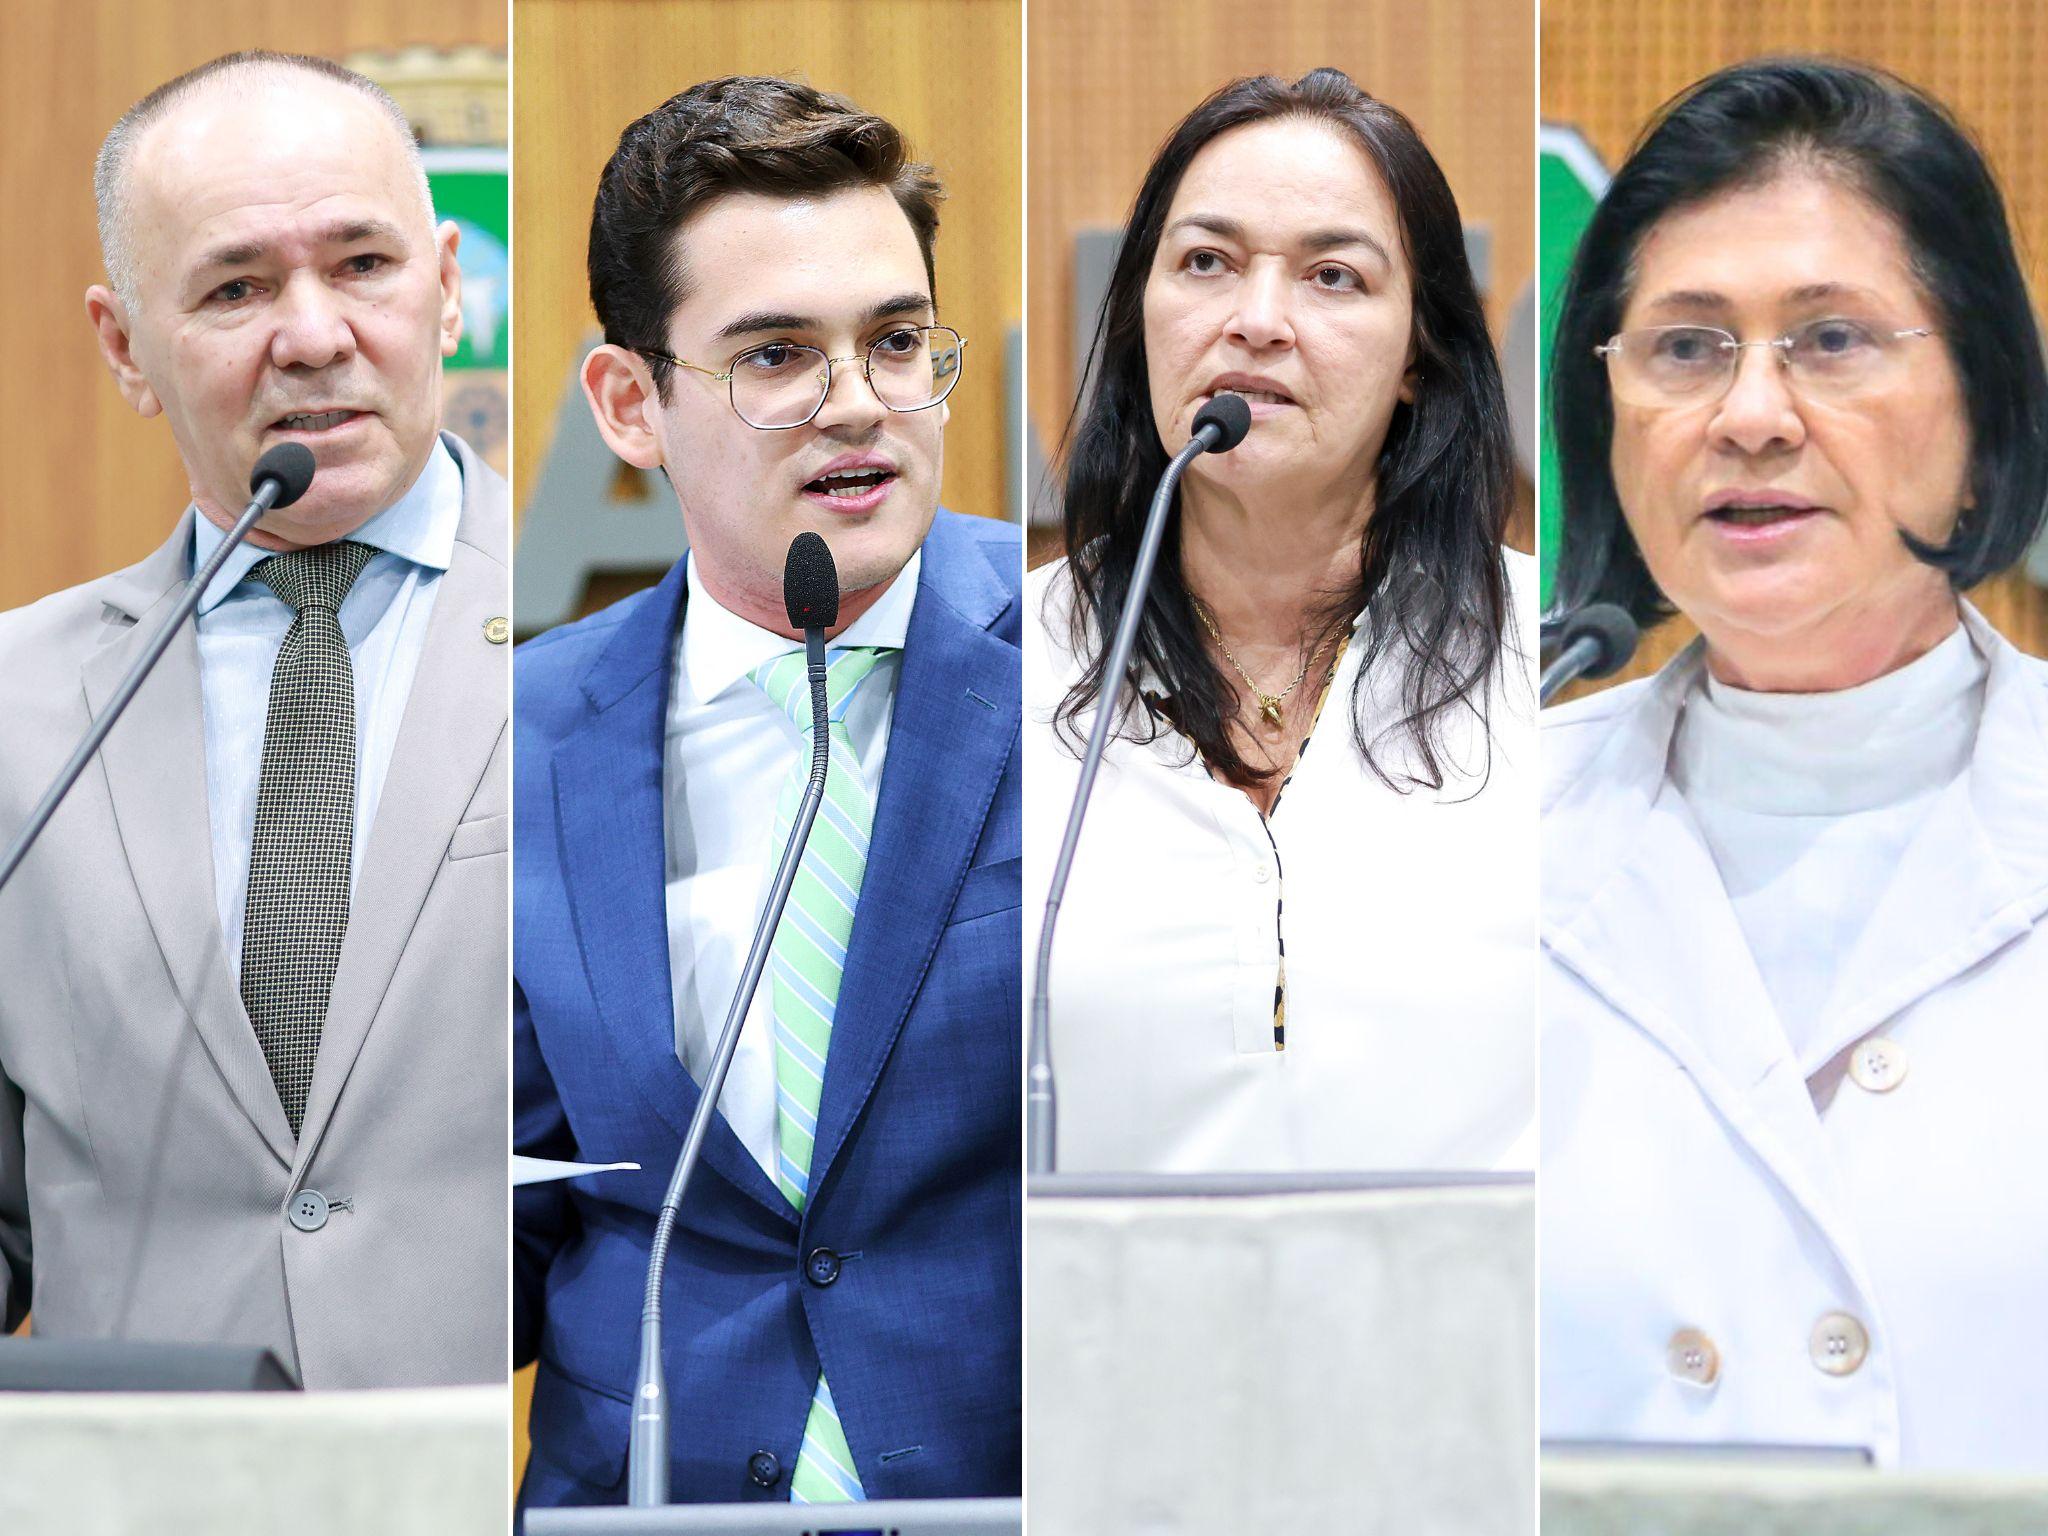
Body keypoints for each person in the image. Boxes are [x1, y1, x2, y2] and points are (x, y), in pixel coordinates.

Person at [513, 77, 1021, 1508]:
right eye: (778, 355)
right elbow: (507, 1206)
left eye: (899, 340)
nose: (859, 402)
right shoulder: (529, 734)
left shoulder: (1091, 672)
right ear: (631, 405)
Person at [1542, 58, 2048, 1471]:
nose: (1750, 414)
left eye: (1831, 340)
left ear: (1982, 402)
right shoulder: (1473, 833)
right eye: (1687, 347)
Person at [0, 52, 509, 1387]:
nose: (314, 334)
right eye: (235, 287)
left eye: (363, 265)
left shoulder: (612, 656)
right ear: (124, 347)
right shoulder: (18, 707)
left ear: (448, 285)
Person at [1026, 69, 1536, 1173]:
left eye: (1331, 276)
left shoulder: (1547, 665)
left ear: (1417, 357)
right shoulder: (1003, 666)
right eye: (1204, 262)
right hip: (1107, 1333)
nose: (1254, 322)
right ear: (1137, 319)